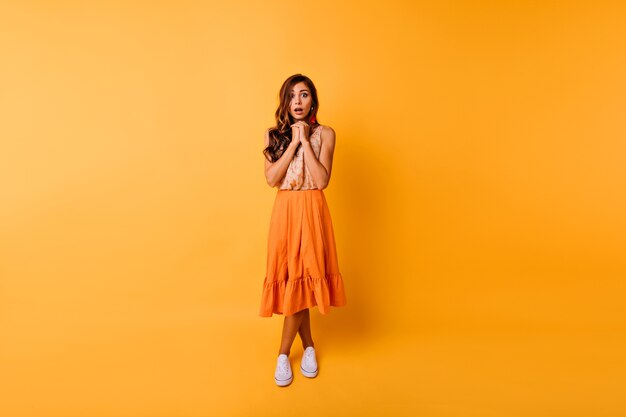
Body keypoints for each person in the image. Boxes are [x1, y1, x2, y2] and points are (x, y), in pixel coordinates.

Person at [259, 74, 347, 387]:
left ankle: (283, 354)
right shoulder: (274, 135)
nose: (298, 101)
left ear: (313, 101)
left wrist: (306, 141)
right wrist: (293, 141)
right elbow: (272, 179)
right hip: (285, 210)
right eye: (292, 96)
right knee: (295, 278)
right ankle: (308, 347)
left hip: (313, 209)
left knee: (307, 274)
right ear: (285, 102)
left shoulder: (326, 133)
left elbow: (322, 180)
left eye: (304, 95)